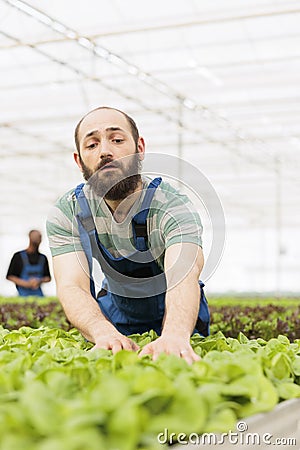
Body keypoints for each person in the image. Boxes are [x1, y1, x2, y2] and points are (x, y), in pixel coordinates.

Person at [46, 106, 210, 363]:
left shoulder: (171, 205)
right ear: (79, 161)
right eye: (91, 145)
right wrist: (103, 333)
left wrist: (176, 335)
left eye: (117, 139)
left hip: (180, 320)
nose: (105, 151)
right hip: (116, 318)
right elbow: (72, 284)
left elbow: (184, 271)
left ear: (140, 147)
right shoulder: (69, 211)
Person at [6, 229, 51, 296]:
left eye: (39, 237)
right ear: (29, 237)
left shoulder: (43, 258)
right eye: (35, 237)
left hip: (38, 294)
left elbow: (48, 278)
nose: (37, 239)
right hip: (22, 294)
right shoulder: (18, 256)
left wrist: (39, 281)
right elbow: (10, 276)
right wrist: (25, 283)